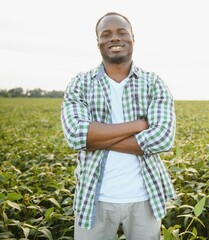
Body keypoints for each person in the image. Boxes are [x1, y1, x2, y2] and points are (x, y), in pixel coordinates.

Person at [61, 12, 176, 240]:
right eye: (106, 34)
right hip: (93, 198)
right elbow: (76, 135)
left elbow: (162, 138)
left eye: (122, 33)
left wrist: (97, 138)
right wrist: (138, 125)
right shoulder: (80, 83)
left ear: (133, 38)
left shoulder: (153, 83)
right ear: (98, 42)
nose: (114, 38)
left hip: (145, 197)